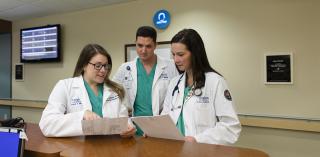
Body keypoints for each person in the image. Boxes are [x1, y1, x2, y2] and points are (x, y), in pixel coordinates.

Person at [161, 29, 241, 145]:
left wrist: (198, 139)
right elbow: (166, 117)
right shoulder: (174, 83)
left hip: (202, 150)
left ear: (195, 53)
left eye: (181, 54)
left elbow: (231, 127)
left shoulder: (215, 82)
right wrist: (155, 131)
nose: (176, 60)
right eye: (173, 54)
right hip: (175, 149)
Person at [39, 44, 135, 137]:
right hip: (79, 149)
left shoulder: (115, 90)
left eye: (106, 66)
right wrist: (82, 115)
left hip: (111, 148)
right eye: (98, 65)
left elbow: (125, 121)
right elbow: (47, 124)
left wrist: (129, 129)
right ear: (84, 65)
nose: (103, 70)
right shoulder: (65, 86)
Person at [113, 26, 178, 135]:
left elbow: (177, 98)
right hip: (133, 128)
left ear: (155, 46)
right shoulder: (125, 68)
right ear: (135, 43)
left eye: (148, 46)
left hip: (160, 127)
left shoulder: (171, 66)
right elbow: (112, 93)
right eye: (140, 45)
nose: (143, 50)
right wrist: (123, 112)